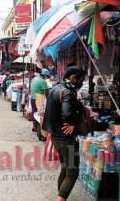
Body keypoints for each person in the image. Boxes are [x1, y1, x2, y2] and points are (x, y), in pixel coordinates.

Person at [42, 66, 86, 201]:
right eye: (81, 79)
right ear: (73, 77)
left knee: (65, 169)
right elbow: (67, 113)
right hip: (66, 139)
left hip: (56, 137)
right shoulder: (67, 92)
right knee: (72, 172)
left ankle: (60, 195)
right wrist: (73, 122)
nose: (81, 82)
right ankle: (61, 198)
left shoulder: (55, 88)